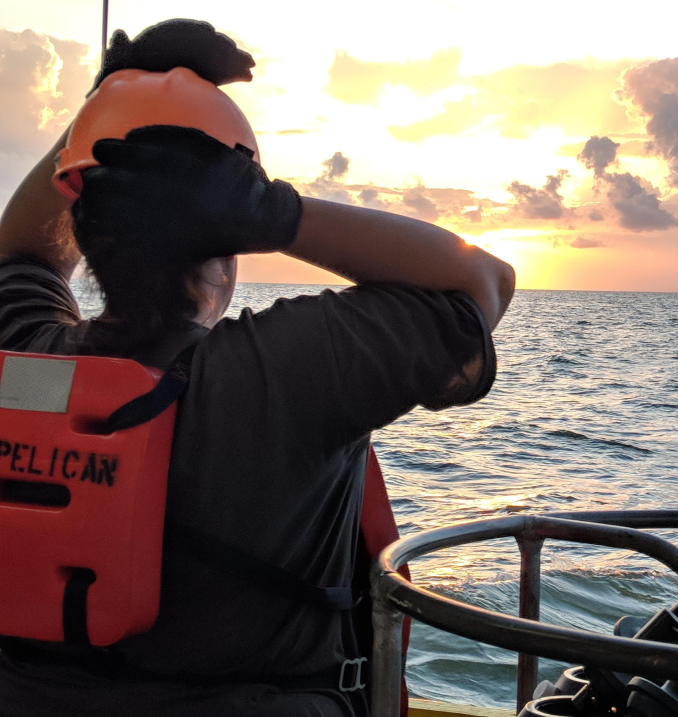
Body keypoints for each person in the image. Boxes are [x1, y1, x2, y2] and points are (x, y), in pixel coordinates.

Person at [0, 20, 515, 717]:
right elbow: (483, 283)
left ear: (85, 227)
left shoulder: (25, 355)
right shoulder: (291, 367)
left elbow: (21, 257)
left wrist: (108, 105)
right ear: (231, 236)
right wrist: (274, 211)